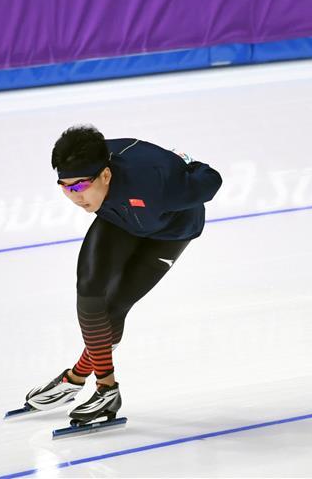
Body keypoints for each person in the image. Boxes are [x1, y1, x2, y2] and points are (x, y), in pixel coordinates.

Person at [24, 124, 223, 425]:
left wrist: (187, 164)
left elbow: (212, 180)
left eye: (79, 186)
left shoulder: (159, 184)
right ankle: (104, 388)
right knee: (90, 291)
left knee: (115, 306)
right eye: (65, 187)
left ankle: (78, 377)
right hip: (120, 217)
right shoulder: (92, 164)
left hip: (169, 231)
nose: (74, 196)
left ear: (105, 175)